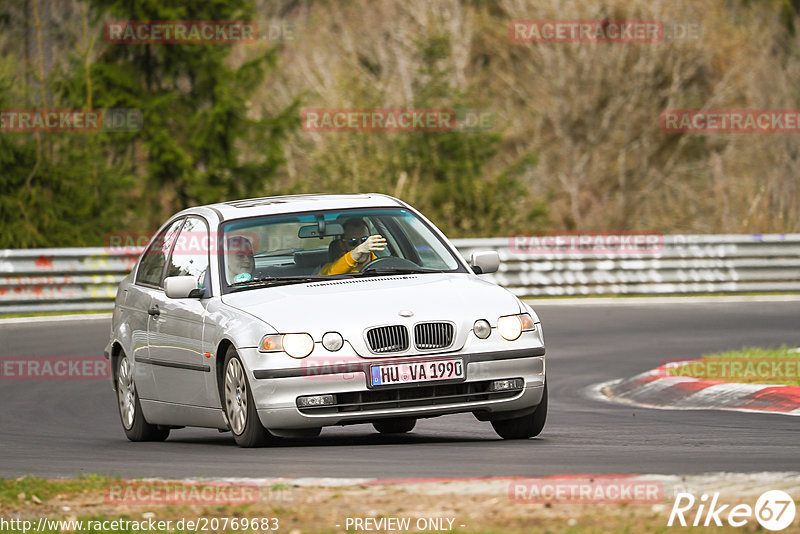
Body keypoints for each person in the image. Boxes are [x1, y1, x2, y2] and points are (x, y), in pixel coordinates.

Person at [320, 218, 386, 275]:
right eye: (353, 241)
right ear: (342, 245)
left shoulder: (384, 264)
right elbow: (328, 276)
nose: (361, 245)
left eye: (364, 240)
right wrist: (357, 252)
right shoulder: (330, 268)